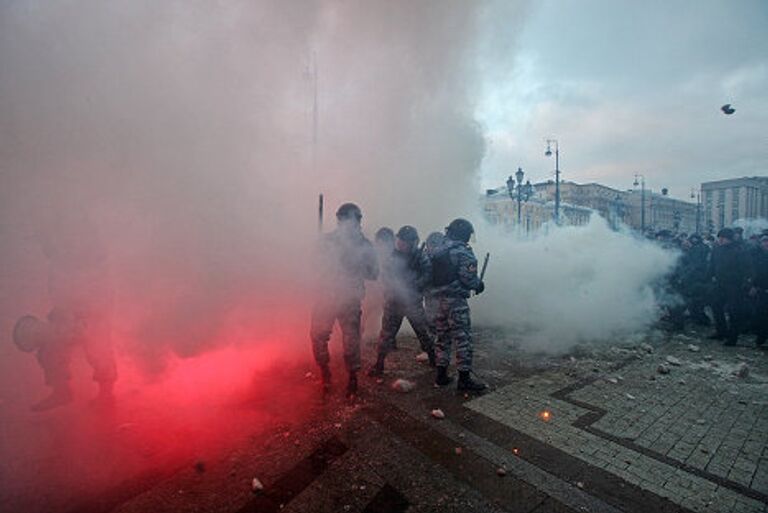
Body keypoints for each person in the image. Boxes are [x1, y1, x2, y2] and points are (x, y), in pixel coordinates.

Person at [24, 215, 118, 411]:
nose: (43, 246)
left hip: (92, 315)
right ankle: (61, 393)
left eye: (45, 240)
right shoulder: (58, 259)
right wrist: (59, 315)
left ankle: (106, 397)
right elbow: (59, 290)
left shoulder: (88, 257)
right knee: (50, 350)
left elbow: (101, 290)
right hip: (64, 315)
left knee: (99, 352)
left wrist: (85, 316)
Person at [310, 203, 378, 397]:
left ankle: (349, 377)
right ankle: (327, 372)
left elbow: (373, 274)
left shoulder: (364, 246)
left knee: (349, 340)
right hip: (327, 296)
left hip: (348, 298)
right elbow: (313, 266)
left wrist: (357, 263)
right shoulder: (327, 241)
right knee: (320, 336)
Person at [368, 226, 435, 376]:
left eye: (404, 241)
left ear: (413, 242)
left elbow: (427, 275)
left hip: (413, 302)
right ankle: (379, 365)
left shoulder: (420, 256)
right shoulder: (391, 256)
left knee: (424, 333)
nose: (400, 244)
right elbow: (385, 276)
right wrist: (396, 287)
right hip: (394, 302)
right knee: (386, 335)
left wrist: (413, 285)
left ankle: (433, 359)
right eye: (399, 240)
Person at [430, 218, 486, 392]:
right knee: (463, 340)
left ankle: (440, 375)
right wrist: (479, 285)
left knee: (442, 339)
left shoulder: (438, 250)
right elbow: (468, 279)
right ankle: (464, 379)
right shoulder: (463, 252)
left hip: (438, 301)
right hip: (456, 302)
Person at [709, 228, 752, 346]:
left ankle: (733, 337)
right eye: (720, 237)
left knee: (734, 311)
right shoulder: (717, 250)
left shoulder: (739, 250)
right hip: (719, 283)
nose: (721, 240)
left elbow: (747, 269)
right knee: (716, 306)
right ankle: (721, 331)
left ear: (729, 239)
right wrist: (711, 276)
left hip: (734, 285)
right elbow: (713, 265)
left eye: (723, 238)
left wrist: (746, 283)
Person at [423, 231, 445, 338]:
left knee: (438, 319)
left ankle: (437, 343)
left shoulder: (445, 256)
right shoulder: (425, 257)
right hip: (431, 293)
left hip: (440, 293)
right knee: (431, 319)